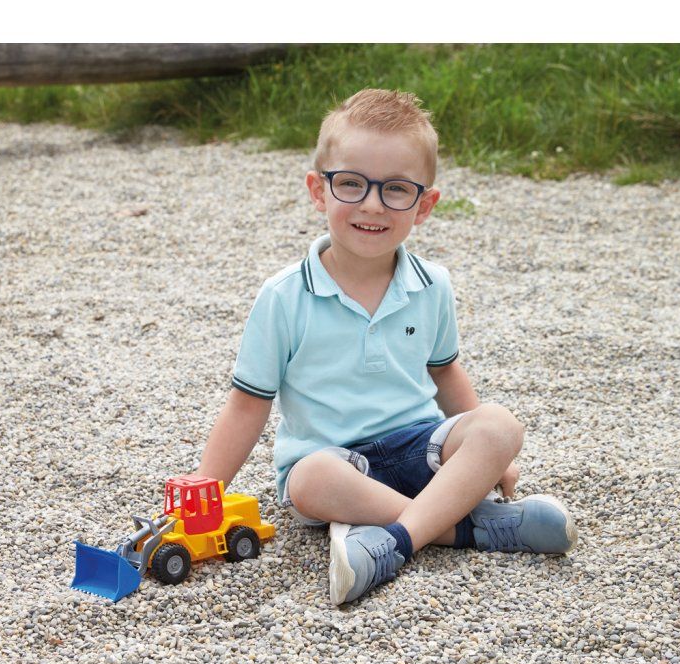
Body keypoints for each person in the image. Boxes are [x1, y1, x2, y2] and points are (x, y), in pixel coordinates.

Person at [197, 88, 577, 606]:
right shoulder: (284, 296)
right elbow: (248, 404)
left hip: (421, 449)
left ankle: (394, 540)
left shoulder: (432, 284)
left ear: (424, 206)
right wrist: (203, 491)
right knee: (308, 479)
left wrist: (493, 458)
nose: (372, 204)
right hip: (334, 465)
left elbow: (446, 373)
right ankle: (467, 527)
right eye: (351, 183)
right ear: (318, 191)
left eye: (396, 189)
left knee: (501, 426)